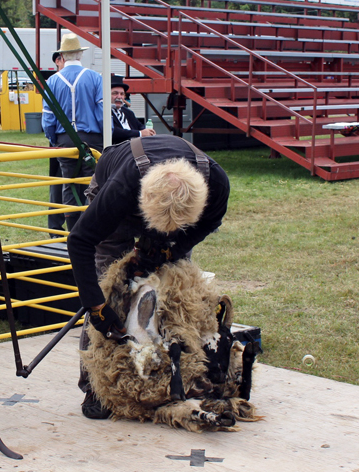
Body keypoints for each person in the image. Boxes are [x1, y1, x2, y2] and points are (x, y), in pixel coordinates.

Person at [66, 135, 230, 419]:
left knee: (175, 289)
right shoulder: (122, 188)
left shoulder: (216, 183)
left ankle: (180, 371)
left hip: (182, 220)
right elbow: (80, 241)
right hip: (123, 204)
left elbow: (210, 222)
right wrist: (96, 307)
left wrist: (173, 249)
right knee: (110, 286)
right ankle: (96, 386)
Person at [41, 34, 103, 231]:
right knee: (92, 182)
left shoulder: (52, 82)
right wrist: (104, 135)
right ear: (80, 55)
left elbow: (48, 119)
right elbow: (102, 113)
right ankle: (91, 226)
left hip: (64, 140)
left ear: (63, 56)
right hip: (92, 139)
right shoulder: (95, 78)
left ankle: (73, 229)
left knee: (68, 183)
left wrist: (54, 139)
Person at [45, 51, 66, 233]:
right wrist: (54, 140)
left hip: (62, 140)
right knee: (58, 183)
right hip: (61, 140)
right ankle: (55, 228)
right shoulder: (54, 81)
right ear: (57, 61)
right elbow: (48, 117)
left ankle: (57, 228)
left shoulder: (53, 82)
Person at [110, 75, 156, 144]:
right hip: (118, 150)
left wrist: (149, 132)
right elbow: (115, 132)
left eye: (122, 94)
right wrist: (139, 133)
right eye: (115, 93)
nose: (119, 97)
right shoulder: (104, 112)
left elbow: (140, 126)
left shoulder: (128, 112)